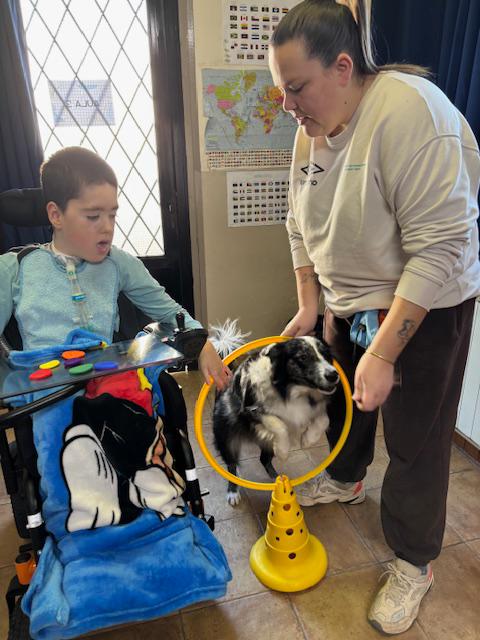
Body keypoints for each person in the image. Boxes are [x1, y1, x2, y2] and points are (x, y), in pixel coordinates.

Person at [269, 0, 480, 635]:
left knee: (416, 439)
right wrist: (310, 303)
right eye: (281, 89)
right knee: (347, 403)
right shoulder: (311, 125)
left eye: (296, 87)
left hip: (425, 305)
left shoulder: (411, 114)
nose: (287, 105)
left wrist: (386, 350)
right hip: (347, 300)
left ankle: (414, 561)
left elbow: (440, 247)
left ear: (343, 67)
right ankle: (346, 478)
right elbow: (297, 223)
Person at [0, 146, 231, 391]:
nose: (107, 227)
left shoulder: (119, 263)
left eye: (112, 215)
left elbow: (172, 313)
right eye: (93, 216)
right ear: (56, 215)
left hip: (107, 389)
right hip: (45, 398)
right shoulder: (15, 268)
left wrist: (202, 343)